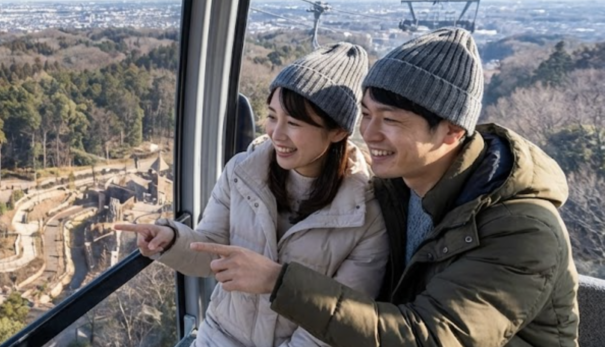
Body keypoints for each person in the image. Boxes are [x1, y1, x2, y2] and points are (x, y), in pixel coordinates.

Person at [196, 28, 579, 346]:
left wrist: (278, 281)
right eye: (365, 114)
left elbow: (428, 337)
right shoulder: (390, 191)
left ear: (451, 131)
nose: (369, 132)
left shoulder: (523, 230)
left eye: (390, 119)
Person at [117, 42, 388, 347]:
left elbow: (332, 327)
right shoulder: (242, 173)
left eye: (294, 123)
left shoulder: (365, 216)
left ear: (338, 131)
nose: (276, 134)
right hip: (217, 336)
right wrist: (170, 240)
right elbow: (211, 252)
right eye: (272, 116)